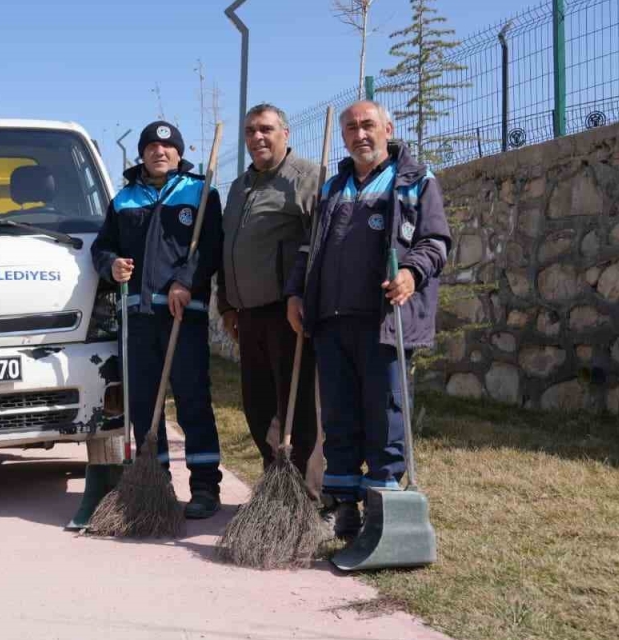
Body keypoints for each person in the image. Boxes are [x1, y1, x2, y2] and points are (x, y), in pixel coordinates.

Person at [284, 101, 452, 539]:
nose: (360, 134)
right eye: (352, 127)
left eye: (368, 125)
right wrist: (296, 294)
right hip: (331, 321)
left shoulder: (415, 181)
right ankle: (343, 509)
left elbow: (436, 242)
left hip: (385, 322)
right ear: (343, 135)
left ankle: (384, 511)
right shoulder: (331, 187)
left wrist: (410, 273)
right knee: (339, 418)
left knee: (385, 414)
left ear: (388, 129)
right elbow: (309, 248)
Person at [90, 121, 225, 519]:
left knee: (193, 401)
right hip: (139, 317)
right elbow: (102, 248)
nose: (159, 152)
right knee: (144, 407)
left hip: (184, 315)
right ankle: (156, 482)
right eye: (151, 147)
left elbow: (211, 247)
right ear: (142, 154)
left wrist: (187, 282)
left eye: (167, 147)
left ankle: (203, 486)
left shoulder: (201, 193)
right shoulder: (123, 200)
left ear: (179, 154)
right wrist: (111, 265)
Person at [215, 103, 319, 478]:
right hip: (248, 316)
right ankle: (274, 482)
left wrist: (301, 295)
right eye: (250, 131)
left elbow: (318, 244)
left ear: (285, 134)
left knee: (296, 406)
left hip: (286, 313)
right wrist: (226, 304)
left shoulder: (306, 177)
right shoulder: (240, 186)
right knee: (257, 407)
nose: (257, 137)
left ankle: (303, 490)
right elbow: (229, 245)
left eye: (266, 129)